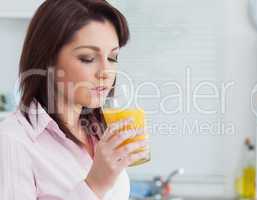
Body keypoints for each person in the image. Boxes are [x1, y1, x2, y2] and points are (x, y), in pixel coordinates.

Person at [0, 0, 149, 199]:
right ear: (48, 60)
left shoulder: (98, 132)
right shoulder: (12, 140)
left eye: (113, 57)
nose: (106, 72)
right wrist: (94, 185)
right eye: (88, 58)